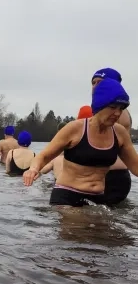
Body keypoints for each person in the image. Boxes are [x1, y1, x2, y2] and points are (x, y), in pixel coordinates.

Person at [23, 78, 138, 207]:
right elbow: (43, 156)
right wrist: (32, 170)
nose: (117, 113)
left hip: (98, 198)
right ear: (99, 105)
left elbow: (136, 167)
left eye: (121, 108)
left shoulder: (120, 133)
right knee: (81, 223)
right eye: (112, 107)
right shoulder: (74, 128)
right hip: (67, 196)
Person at [91, 68, 133, 205]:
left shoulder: (114, 113)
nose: (95, 86)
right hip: (115, 175)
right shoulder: (113, 110)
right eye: (93, 82)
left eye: (100, 82)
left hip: (112, 175)